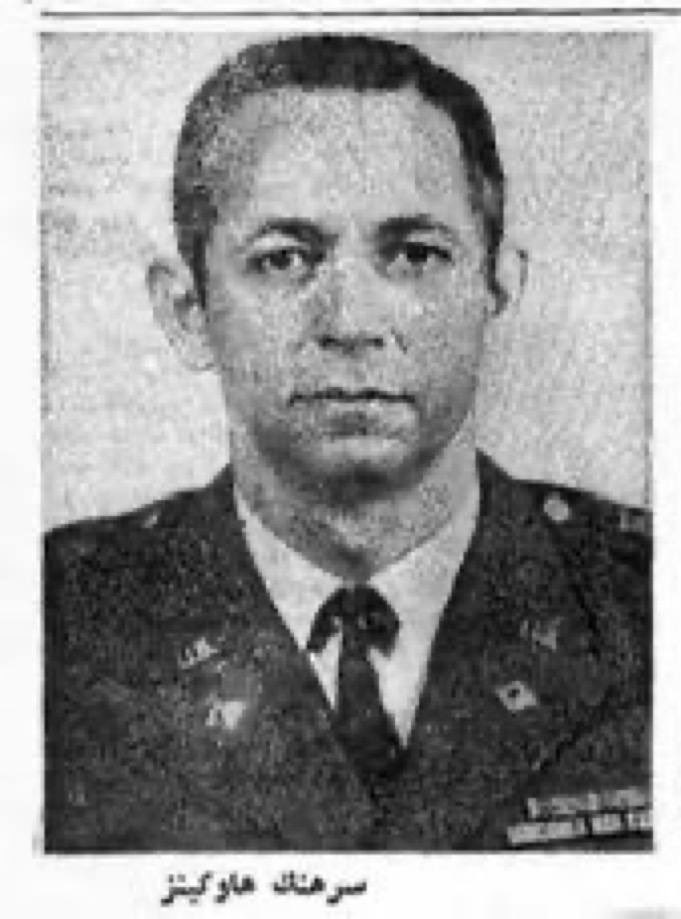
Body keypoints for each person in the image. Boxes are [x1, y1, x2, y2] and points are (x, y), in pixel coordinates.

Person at [43, 34, 651, 852]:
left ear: (496, 286)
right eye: (284, 259)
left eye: (416, 254)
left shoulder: (645, 600)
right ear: (187, 309)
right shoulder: (51, 623)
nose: (352, 322)